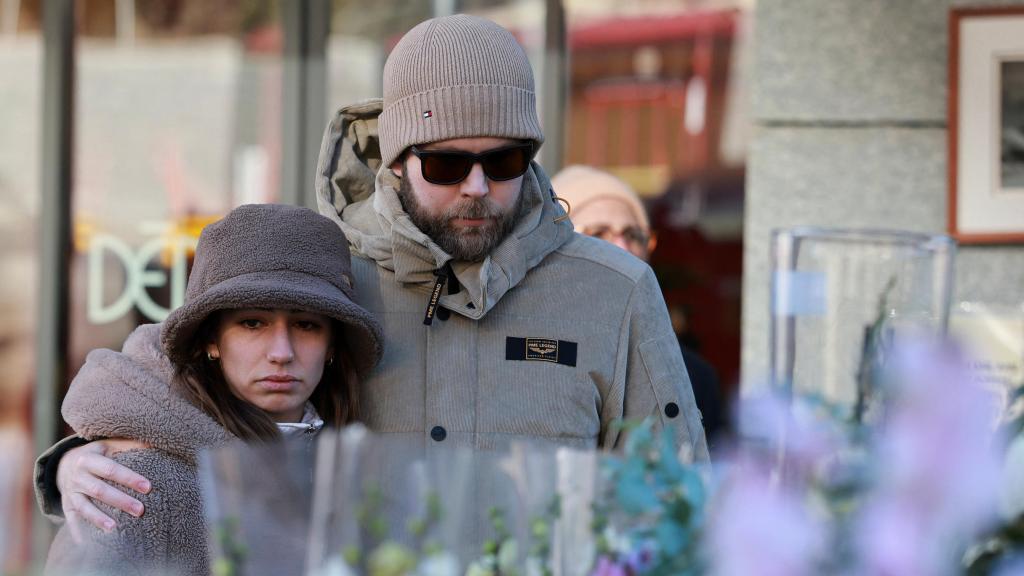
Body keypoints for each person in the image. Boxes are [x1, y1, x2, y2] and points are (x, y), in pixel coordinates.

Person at [37, 14, 708, 531]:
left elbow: (678, 496)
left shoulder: (614, 290)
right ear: (394, 157)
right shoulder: (322, 274)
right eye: (446, 164)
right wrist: (72, 463)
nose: (477, 186)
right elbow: (177, 388)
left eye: (503, 161)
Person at [43, 204, 383, 575]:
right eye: (253, 323)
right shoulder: (132, 485)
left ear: (333, 344)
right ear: (211, 340)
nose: (281, 353)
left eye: (306, 325)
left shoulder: (358, 473)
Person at [551, 165, 725, 447]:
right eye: (598, 233)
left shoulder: (690, 373)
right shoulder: (527, 353)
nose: (622, 248)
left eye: (633, 235)